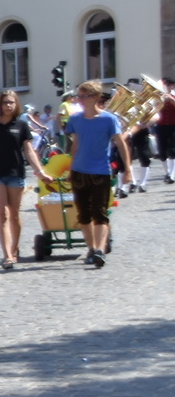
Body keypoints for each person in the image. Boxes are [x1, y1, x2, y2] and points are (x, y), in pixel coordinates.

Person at [0, 90, 52, 269]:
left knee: (14, 214)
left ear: (16, 104)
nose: (8, 106)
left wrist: (40, 172)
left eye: (11, 102)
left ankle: (14, 247)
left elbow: (28, 150)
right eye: (5, 103)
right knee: (2, 214)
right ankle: (8, 255)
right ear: (0, 105)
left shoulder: (21, 125)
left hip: (15, 173)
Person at [63, 80, 132, 268]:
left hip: (100, 171)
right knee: (83, 213)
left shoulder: (109, 119)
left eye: (83, 96)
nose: (79, 100)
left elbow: (120, 143)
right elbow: (75, 145)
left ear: (94, 97)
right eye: (78, 96)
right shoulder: (75, 119)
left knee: (99, 213)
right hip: (79, 171)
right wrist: (70, 168)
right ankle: (92, 248)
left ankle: (100, 250)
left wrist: (128, 169)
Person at [155, 76, 175, 184]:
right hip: (160, 126)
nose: (165, 87)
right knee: (162, 151)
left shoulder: (174, 96)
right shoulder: (157, 97)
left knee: (172, 150)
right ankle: (167, 172)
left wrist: (171, 99)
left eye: (167, 85)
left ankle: (172, 175)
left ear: (171, 86)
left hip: (173, 126)